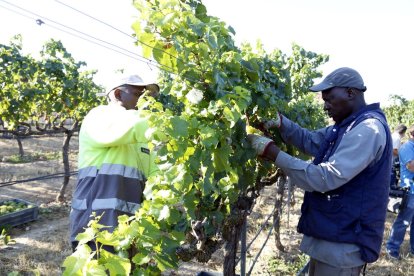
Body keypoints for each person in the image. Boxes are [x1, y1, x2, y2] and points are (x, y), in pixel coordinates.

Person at [248, 67, 392, 275]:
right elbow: (311, 140)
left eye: (329, 99)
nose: (325, 106)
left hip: (344, 244)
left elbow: (325, 177)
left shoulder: (368, 130)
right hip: (333, 237)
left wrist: (272, 152)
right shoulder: (347, 126)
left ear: (351, 93)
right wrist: (281, 123)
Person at [69, 74, 160, 252]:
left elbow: (155, 174)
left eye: (147, 97)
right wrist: (173, 125)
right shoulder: (100, 116)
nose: (144, 101)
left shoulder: (142, 138)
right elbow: (133, 125)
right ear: (118, 94)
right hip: (96, 225)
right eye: (137, 95)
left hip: (130, 229)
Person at [386, 125, 414, 260]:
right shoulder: (408, 147)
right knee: (403, 222)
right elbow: (411, 166)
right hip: (410, 191)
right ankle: (392, 249)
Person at [390, 124, 407, 188]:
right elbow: (394, 150)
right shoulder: (397, 137)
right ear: (403, 131)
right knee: (392, 180)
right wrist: (402, 155)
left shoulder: (393, 135)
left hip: (390, 161)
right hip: (393, 162)